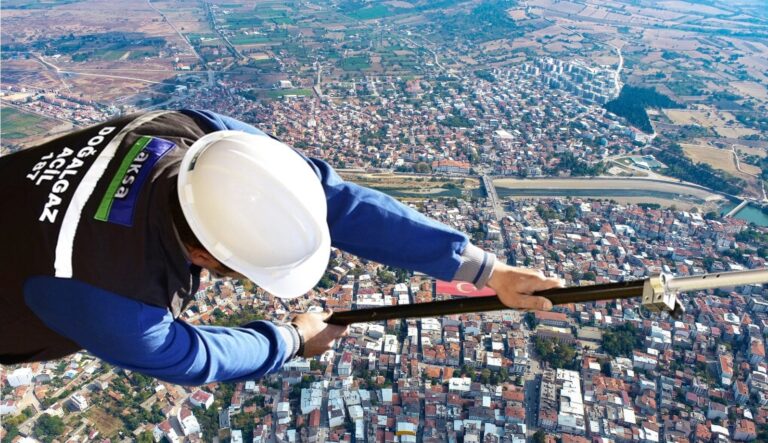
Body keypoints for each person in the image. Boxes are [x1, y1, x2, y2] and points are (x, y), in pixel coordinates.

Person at [0, 109, 561, 385]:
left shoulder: (197, 135)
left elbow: (333, 201)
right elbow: (191, 357)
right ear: (204, 257)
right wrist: (290, 338)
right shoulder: (107, 296)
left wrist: (486, 270)